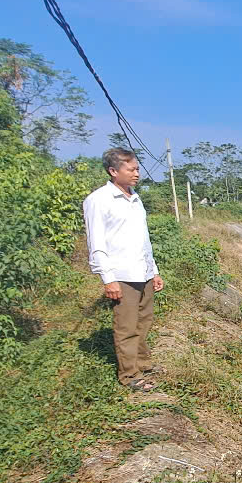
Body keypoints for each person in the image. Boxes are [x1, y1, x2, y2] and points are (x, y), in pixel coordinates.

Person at [83, 147, 164, 391]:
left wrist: (154, 270)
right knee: (126, 326)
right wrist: (108, 279)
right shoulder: (98, 201)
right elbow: (96, 244)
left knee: (143, 321)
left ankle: (142, 363)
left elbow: (143, 239)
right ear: (113, 171)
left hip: (143, 271)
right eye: (131, 169)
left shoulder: (135, 198)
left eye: (137, 168)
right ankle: (130, 376)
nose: (137, 173)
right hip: (122, 275)